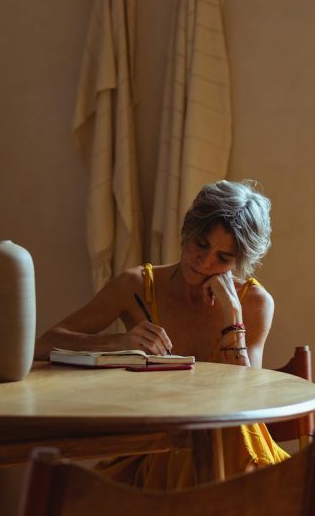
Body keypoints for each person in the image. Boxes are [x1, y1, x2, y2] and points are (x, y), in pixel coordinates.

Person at [34, 179, 286, 488]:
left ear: (238, 262)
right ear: (187, 231)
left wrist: (232, 315)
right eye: (202, 244)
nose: (205, 261)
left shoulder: (254, 302)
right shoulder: (138, 286)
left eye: (223, 258)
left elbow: (246, 402)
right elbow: (44, 344)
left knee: (222, 426)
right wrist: (119, 343)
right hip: (155, 451)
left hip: (235, 452)